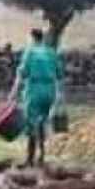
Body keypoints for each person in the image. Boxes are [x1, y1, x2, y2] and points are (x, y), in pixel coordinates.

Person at [8, 28, 63, 168]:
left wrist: (13, 92)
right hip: (49, 90)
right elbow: (59, 74)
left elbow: (21, 74)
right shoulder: (51, 52)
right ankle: (42, 157)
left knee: (31, 124)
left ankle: (29, 159)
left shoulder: (30, 53)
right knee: (42, 123)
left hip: (34, 90)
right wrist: (59, 94)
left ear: (32, 38)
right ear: (42, 38)